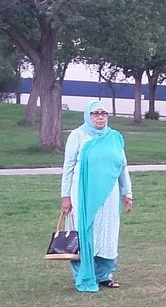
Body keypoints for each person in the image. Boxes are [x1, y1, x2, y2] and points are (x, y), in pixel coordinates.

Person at [60, 100, 133, 293]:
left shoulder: (114, 137)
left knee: (107, 234)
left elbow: (122, 167)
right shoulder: (78, 135)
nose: (100, 117)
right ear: (88, 116)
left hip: (109, 195)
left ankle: (104, 275)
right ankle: (84, 275)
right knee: (84, 233)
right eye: (96, 113)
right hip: (83, 194)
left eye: (103, 113)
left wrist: (127, 193)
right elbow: (68, 167)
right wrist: (65, 196)